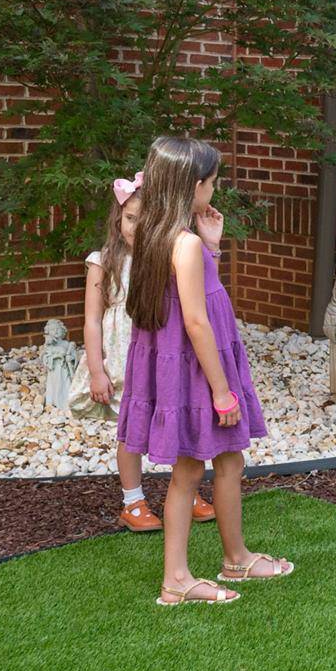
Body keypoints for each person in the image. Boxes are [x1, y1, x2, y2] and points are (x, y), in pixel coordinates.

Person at [119, 136, 291, 605]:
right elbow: (195, 320)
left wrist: (213, 247)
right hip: (201, 370)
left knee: (227, 459)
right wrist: (222, 392)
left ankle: (236, 557)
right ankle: (176, 578)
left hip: (188, 367)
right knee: (191, 467)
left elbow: (184, 298)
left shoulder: (155, 234)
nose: (215, 190)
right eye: (213, 182)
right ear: (195, 185)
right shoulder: (184, 243)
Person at [68, 172, 216, 531]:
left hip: (162, 353)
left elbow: (201, 295)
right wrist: (97, 369)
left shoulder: (170, 255)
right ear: (118, 218)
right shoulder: (102, 261)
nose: (135, 227)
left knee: (173, 415)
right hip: (122, 360)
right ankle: (133, 502)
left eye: (145, 220)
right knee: (130, 430)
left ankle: (185, 490)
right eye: (130, 218)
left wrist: (212, 247)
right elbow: (92, 321)